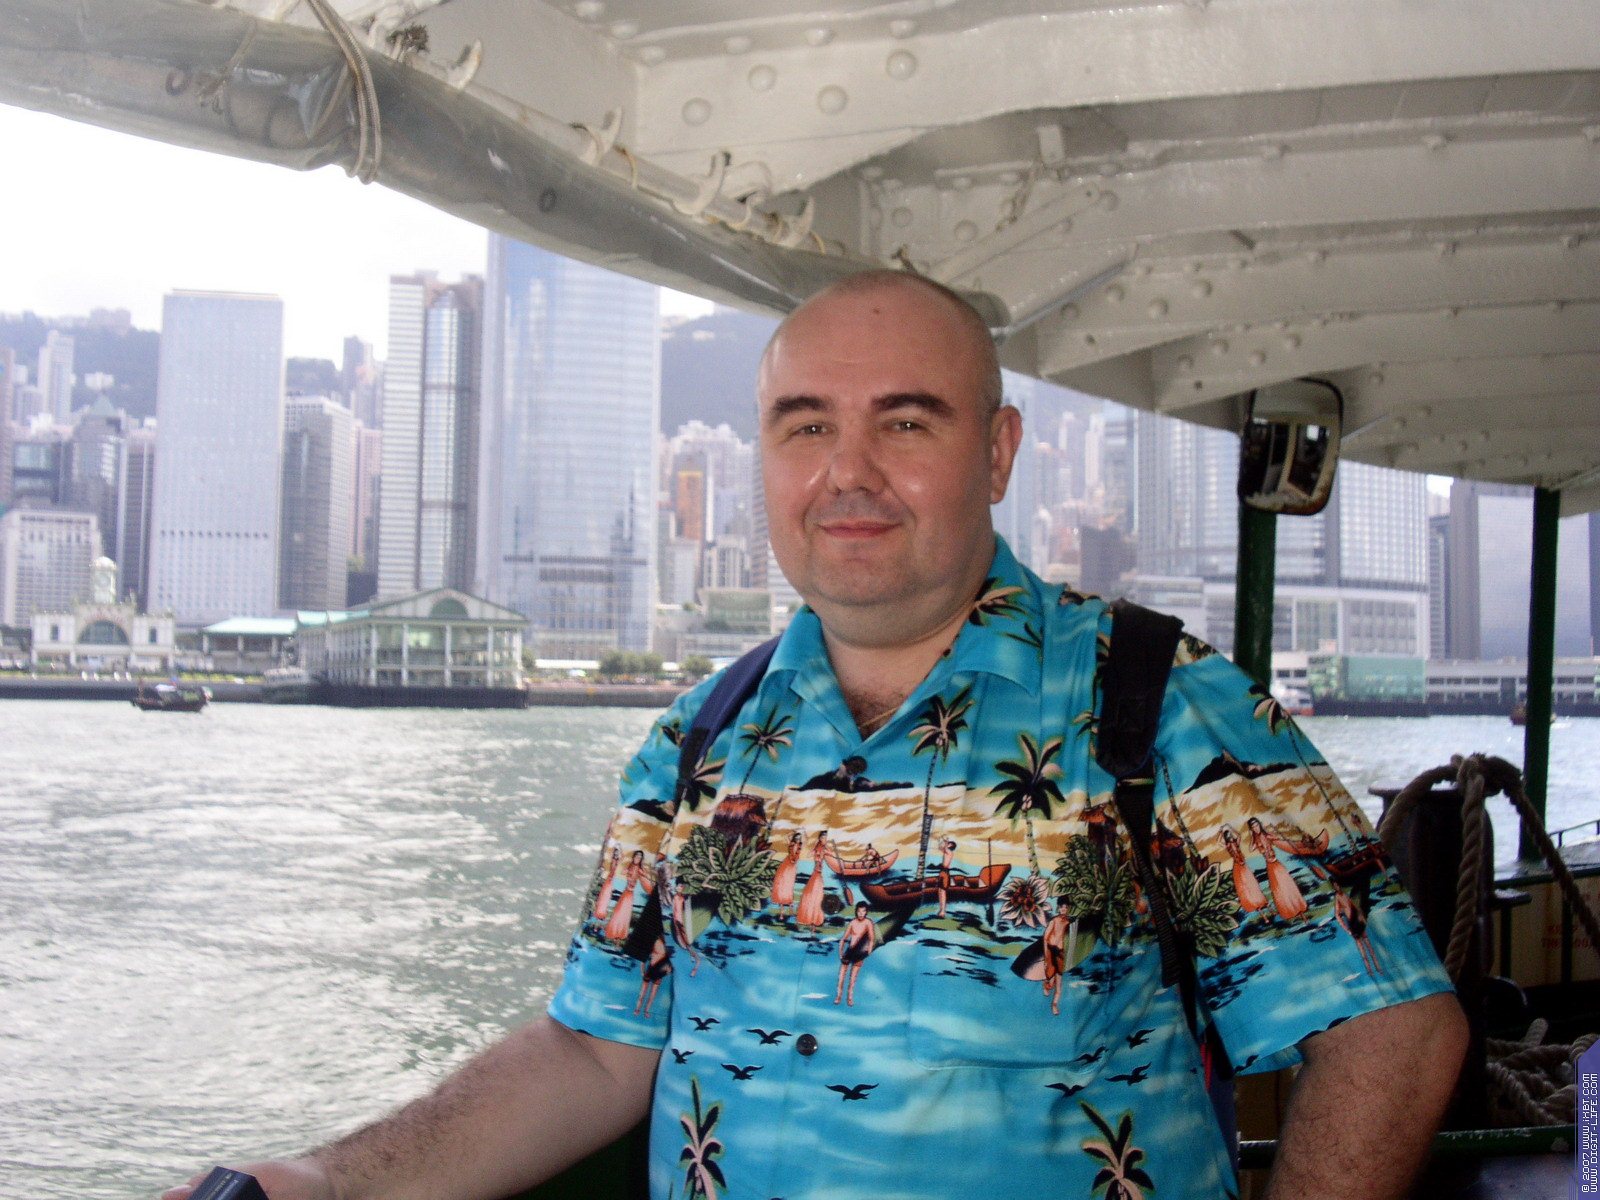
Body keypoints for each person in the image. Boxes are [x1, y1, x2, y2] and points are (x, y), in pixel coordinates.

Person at [164, 271, 1465, 1200]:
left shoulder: (1159, 705)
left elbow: (1391, 1026)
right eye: (806, 426)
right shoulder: (696, 744)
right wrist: (323, 1180)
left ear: (998, 453)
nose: (849, 471)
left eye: (906, 421)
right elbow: (592, 1050)